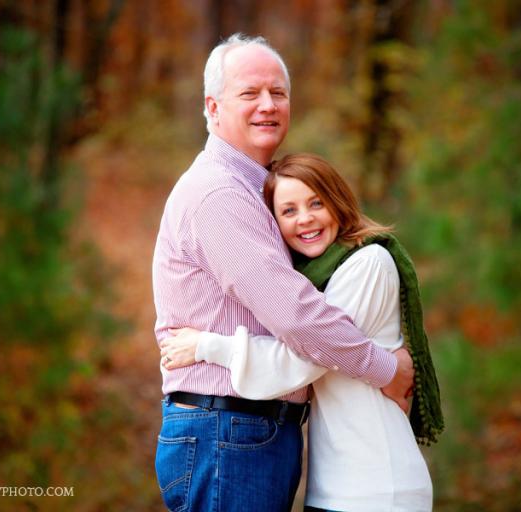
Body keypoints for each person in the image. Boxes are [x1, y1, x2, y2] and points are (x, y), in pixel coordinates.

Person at [151, 34, 416, 512]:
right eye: (249, 94)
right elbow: (293, 314)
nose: (267, 105)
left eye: (278, 92)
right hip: (227, 432)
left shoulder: (260, 193)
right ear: (212, 108)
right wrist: (385, 370)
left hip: (246, 432)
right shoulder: (221, 194)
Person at [161, 153, 444, 511]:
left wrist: (208, 346)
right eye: (289, 211)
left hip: (376, 483)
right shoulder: (314, 280)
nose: (305, 219)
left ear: (338, 203)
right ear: (274, 224)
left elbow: (304, 357)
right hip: (337, 482)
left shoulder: (367, 263)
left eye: (316, 203)